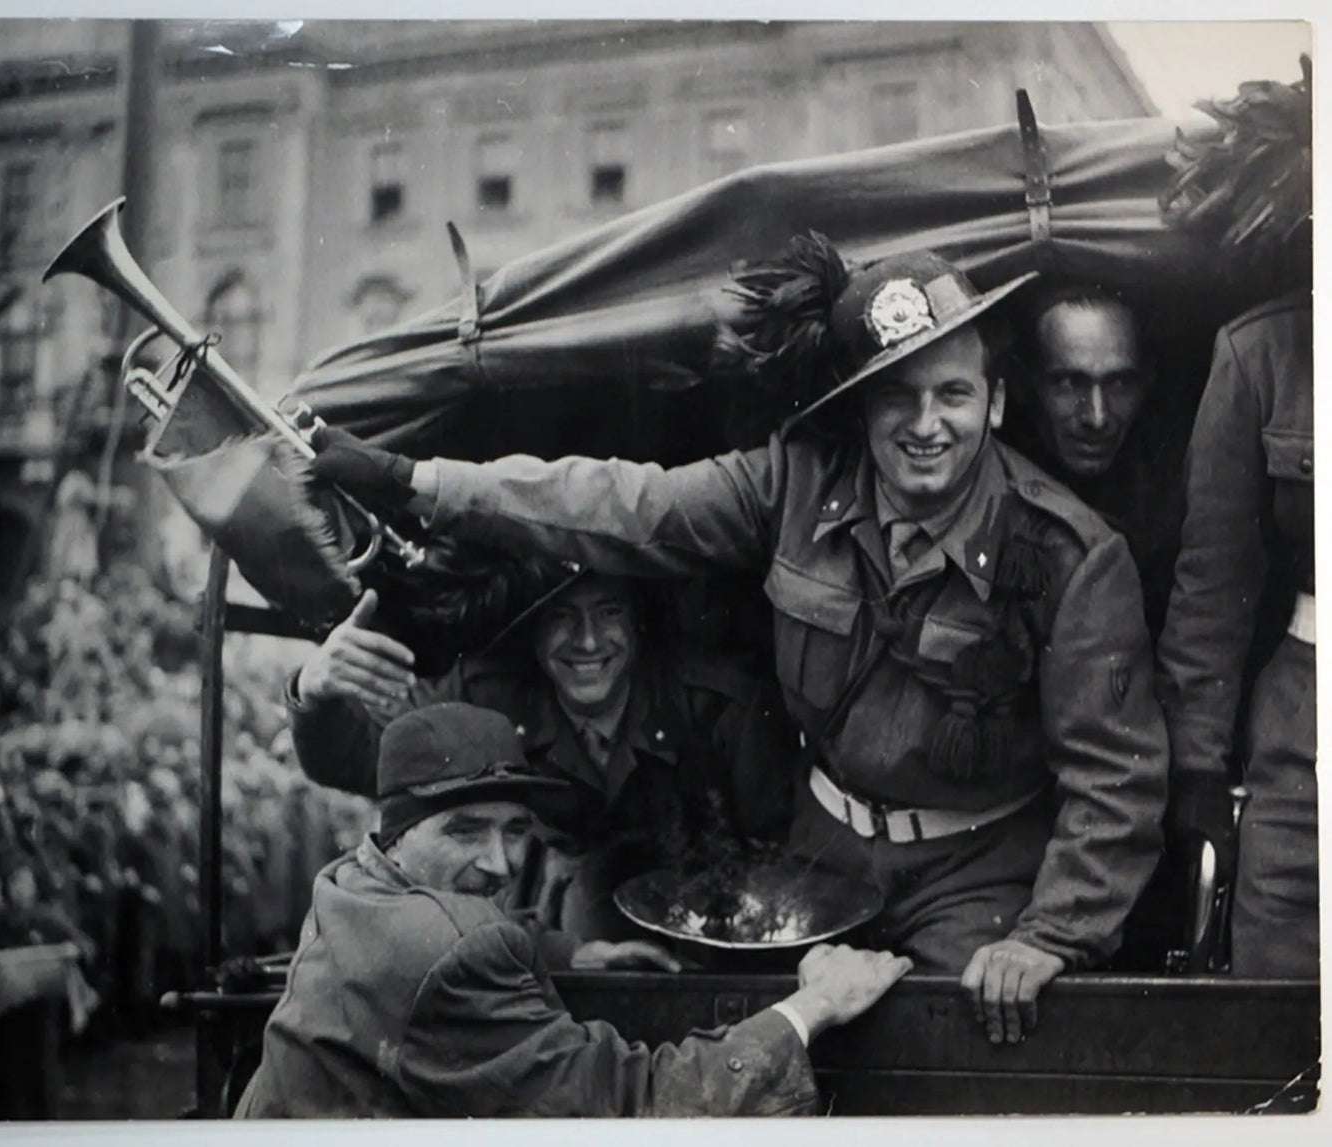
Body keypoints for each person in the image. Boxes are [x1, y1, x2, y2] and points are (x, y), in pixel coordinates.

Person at [309, 241, 1169, 1044]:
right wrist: (420, 486)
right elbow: (628, 505)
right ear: (861, 405)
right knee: (770, 1052)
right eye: (897, 396)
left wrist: (1049, 935)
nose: (925, 424)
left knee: (921, 1058)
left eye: (952, 394)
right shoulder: (796, 481)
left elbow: (1114, 778)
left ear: (997, 401)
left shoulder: (1070, 554)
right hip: (819, 858)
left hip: (975, 876)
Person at [235, 702, 911, 1118]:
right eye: (465, 830)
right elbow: (635, 1103)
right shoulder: (453, 947)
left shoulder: (351, 881)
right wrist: (812, 1005)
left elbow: (447, 947)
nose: (499, 864)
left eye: (514, 831)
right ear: (398, 832)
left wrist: (571, 952)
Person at [286, 569, 797, 937]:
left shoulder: (718, 702)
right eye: (562, 616)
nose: (589, 640)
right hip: (552, 915)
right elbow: (363, 763)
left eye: (609, 611)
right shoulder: (485, 693)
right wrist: (313, 691)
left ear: (639, 623)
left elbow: (774, 853)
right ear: (532, 633)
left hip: (705, 916)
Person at [1156, 60, 1315, 978]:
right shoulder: (1259, 354)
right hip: (1305, 719)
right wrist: (1197, 773)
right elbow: (1210, 588)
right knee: (1279, 993)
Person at [1002, 286, 1184, 638]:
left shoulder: (1174, 496)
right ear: (1023, 384)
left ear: (1147, 381)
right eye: (1070, 383)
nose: (1097, 417)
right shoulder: (988, 490)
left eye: (1119, 382)